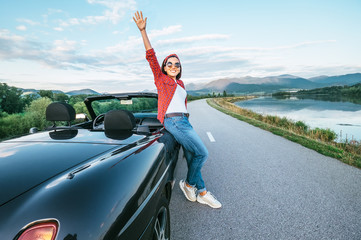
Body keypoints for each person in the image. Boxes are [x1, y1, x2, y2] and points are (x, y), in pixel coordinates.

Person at [133, 11, 221, 209]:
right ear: (164, 68)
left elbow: (183, 106)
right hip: (173, 121)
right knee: (202, 153)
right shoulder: (161, 80)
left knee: (192, 156)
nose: (173, 65)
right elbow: (151, 57)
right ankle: (194, 188)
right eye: (169, 63)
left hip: (184, 121)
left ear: (180, 68)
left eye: (176, 64)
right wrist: (143, 31)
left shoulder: (180, 84)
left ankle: (197, 189)